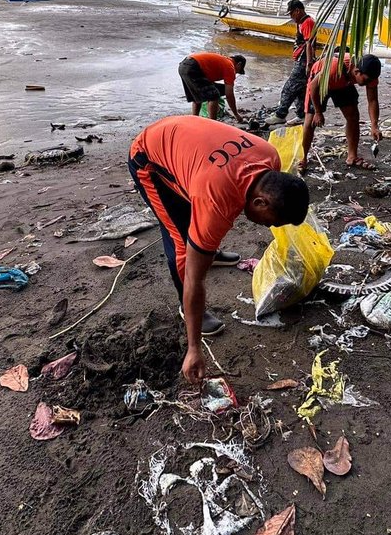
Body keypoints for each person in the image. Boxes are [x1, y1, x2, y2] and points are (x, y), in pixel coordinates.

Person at [129, 116, 310, 382]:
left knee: (203, 227)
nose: (267, 227)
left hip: (188, 148)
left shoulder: (270, 158)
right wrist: (193, 349)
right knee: (181, 241)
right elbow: (195, 278)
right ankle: (189, 309)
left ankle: (206, 251)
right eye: (272, 222)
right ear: (260, 202)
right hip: (150, 157)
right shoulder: (216, 195)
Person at [299, 53, 383, 173]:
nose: (368, 83)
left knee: (353, 116)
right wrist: (318, 112)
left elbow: (373, 100)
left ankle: (352, 157)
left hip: (343, 82)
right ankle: (304, 158)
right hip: (322, 82)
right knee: (310, 121)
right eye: (366, 80)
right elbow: (313, 86)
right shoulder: (334, 68)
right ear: (357, 72)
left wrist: (374, 125)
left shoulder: (370, 75)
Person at [266, 0, 317, 125]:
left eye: (291, 14)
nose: (291, 17)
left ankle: (281, 114)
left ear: (298, 11)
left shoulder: (307, 22)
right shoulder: (301, 23)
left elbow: (309, 43)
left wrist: (309, 63)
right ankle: (301, 114)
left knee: (289, 88)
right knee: (300, 90)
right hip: (302, 59)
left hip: (304, 61)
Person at [178, 52, 247, 121]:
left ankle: (195, 119)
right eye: (238, 71)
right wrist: (236, 114)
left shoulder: (223, 61)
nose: (235, 73)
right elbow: (229, 95)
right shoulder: (230, 66)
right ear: (239, 64)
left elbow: (210, 83)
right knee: (214, 96)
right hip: (193, 66)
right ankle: (213, 122)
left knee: (198, 94)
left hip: (183, 66)